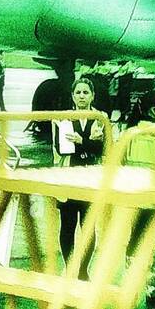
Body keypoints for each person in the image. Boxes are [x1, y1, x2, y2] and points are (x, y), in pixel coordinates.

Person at [123, 89, 155, 306]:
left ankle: (129, 286)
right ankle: (153, 291)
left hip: (135, 195)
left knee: (134, 240)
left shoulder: (130, 132)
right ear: (154, 110)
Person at [55, 76, 106, 266]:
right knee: (67, 227)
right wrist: (89, 144)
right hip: (69, 178)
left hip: (91, 180)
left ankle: (83, 270)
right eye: (78, 92)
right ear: (72, 96)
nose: (82, 96)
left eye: (85, 92)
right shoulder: (63, 118)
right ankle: (69, 268)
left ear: (93, 96)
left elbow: (104, 149)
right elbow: (61, 148)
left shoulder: (101, 118)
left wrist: (81, 142)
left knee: (88, 227)